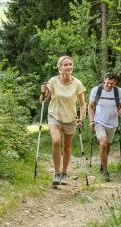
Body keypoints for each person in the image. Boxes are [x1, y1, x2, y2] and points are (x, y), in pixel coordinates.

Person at [40, 55, 86, 186]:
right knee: (56, 141)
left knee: (67, 147)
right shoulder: (53, 81)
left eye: (70, 64)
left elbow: (83, 104)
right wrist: (43, 90)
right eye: (65, 65)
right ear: (59, 67)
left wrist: (81, 119)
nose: (68, 67)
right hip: (54, 115)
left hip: (70, 118)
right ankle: (57, 172)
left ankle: (64, 173)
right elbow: (42, 100)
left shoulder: (77, 83)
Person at [88, 72, 121, 181]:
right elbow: (90, 106)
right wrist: (91, 120)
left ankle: (102, 163)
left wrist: (120, 112)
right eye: (107, 83)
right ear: (104, 81)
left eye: (112, 84)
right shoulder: (96, 90)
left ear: (115, 83)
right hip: (99, 121)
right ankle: (105, 171)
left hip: (112, 123)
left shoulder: (118, 91)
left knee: (108, 146)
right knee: (103, 143)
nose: (109, 86)